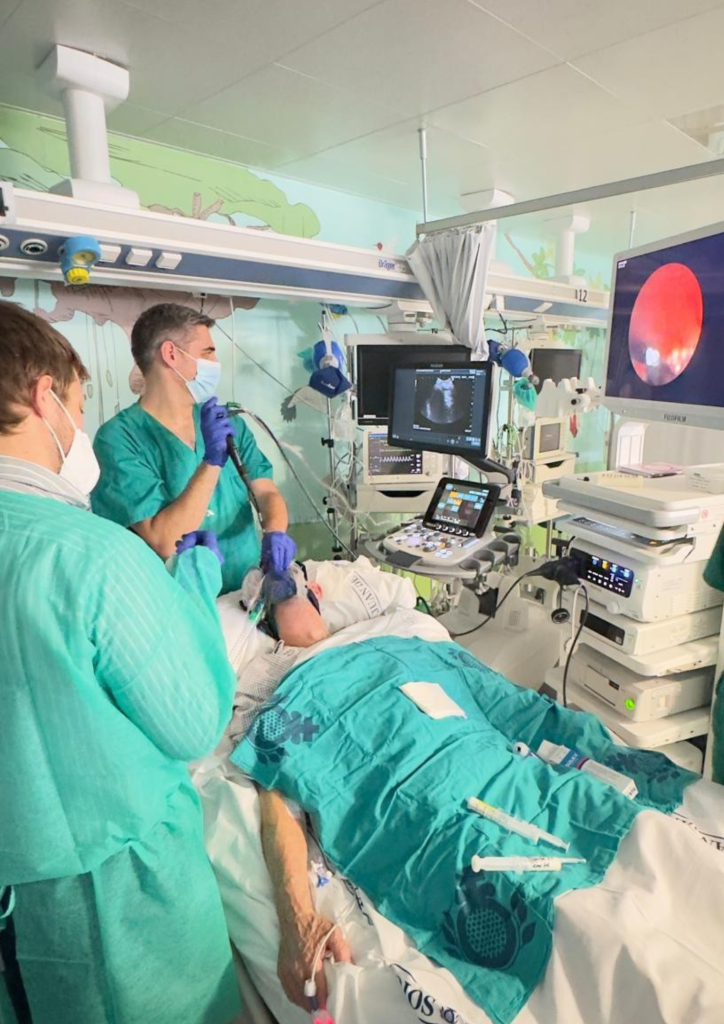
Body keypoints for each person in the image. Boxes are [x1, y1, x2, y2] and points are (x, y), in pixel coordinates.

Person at [0, 302, 241, 1024]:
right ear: (44, 397)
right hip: (113, 901)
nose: (80, 424)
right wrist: (193, 587)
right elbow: (193, 725)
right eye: (77, 404)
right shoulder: (95, 556)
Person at [93, 302, 296, 594]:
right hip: (181, 600)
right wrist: (211, 463)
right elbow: (164, 540)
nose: (215, 362)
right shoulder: (119, 438)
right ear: (171, 354)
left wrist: (275, 531)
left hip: (246, 590)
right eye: (207, 353)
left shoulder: (228, 424)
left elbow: (266, 492)